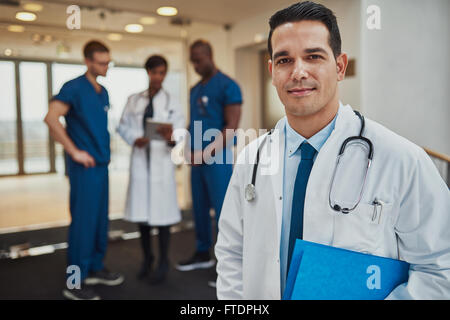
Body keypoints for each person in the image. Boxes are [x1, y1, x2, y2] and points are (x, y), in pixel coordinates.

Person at [215, 1, 450, 299]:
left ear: (339, 67)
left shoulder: (402, 160)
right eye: (285, 60)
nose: (298, 72)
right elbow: (232, 252)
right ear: (273, 71)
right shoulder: (252, 158)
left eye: (313, 56)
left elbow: (440, 268)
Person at [44, 40, 124, 300]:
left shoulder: (103, 91)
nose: (106, 66)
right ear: (88, 61)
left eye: (108, 62)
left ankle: (94, 268)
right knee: (83, 224)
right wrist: (74, 151)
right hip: (84, 168)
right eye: (101, 62)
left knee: (100, 222)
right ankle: (74, 282)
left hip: (101, 166)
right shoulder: (74, 87)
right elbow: (51, 117)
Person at [175, 40, 242, 283]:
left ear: (210, 56)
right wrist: (186, 147)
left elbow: (232, 128)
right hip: (196, 159)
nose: (195, 64)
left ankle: (229, 264)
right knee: (199, 209)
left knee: (224, 211)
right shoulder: (195, 89)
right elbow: (192, 123)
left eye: (198, 59)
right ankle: (202, 252)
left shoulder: (228, 86)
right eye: (192, 60)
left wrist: (206, 153)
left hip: (218, 158)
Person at [117, 55, 185, 284]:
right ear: (147, 72)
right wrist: (134, 138)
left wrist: (171, 137)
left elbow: (180, 134)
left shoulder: (172, 102)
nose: (158, 77)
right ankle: (147, 259)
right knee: (143, 218)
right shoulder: (134, 100)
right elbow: (122, 126)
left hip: (160, 164)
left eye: (162, 73)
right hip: (140, 161)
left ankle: (164, 261)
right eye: (154, 72)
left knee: (163, 218)